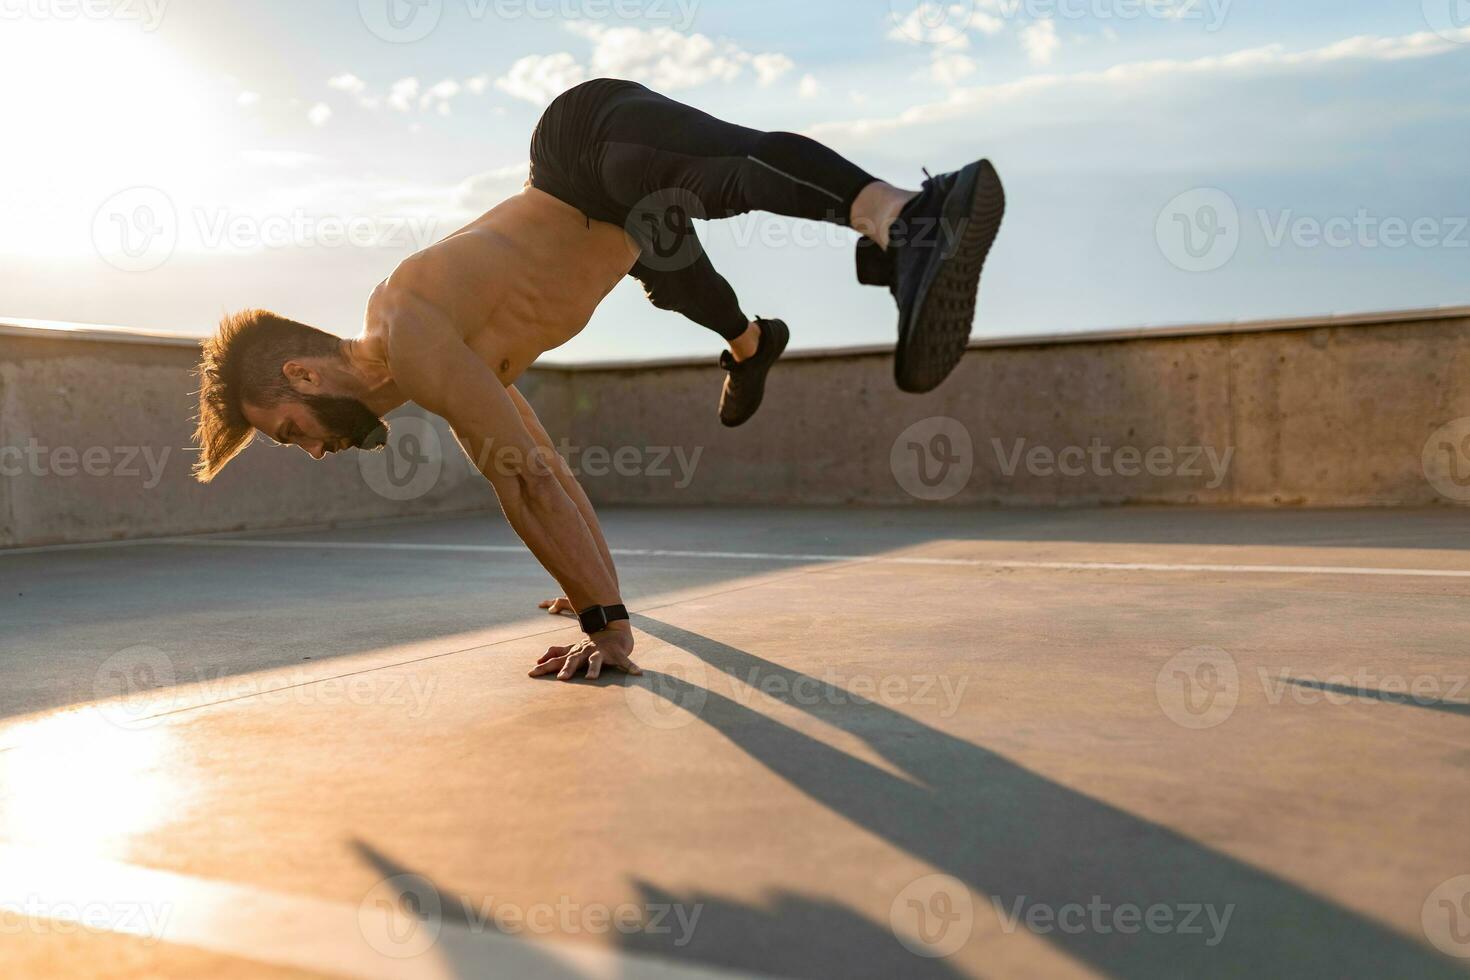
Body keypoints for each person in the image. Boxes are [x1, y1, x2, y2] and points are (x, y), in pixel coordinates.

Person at [192, 79, 1005, 682]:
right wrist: (590, 587)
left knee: (724, 170)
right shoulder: (430, 364)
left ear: (302, 372)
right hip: (626, 229)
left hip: (585, 156)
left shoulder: (411, 337)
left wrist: (607, 628)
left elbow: (527, 484)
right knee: (685, 283)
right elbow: (547, 465)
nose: (309, 450)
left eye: (291, 429)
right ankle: (752, 347)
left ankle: (908, 215)